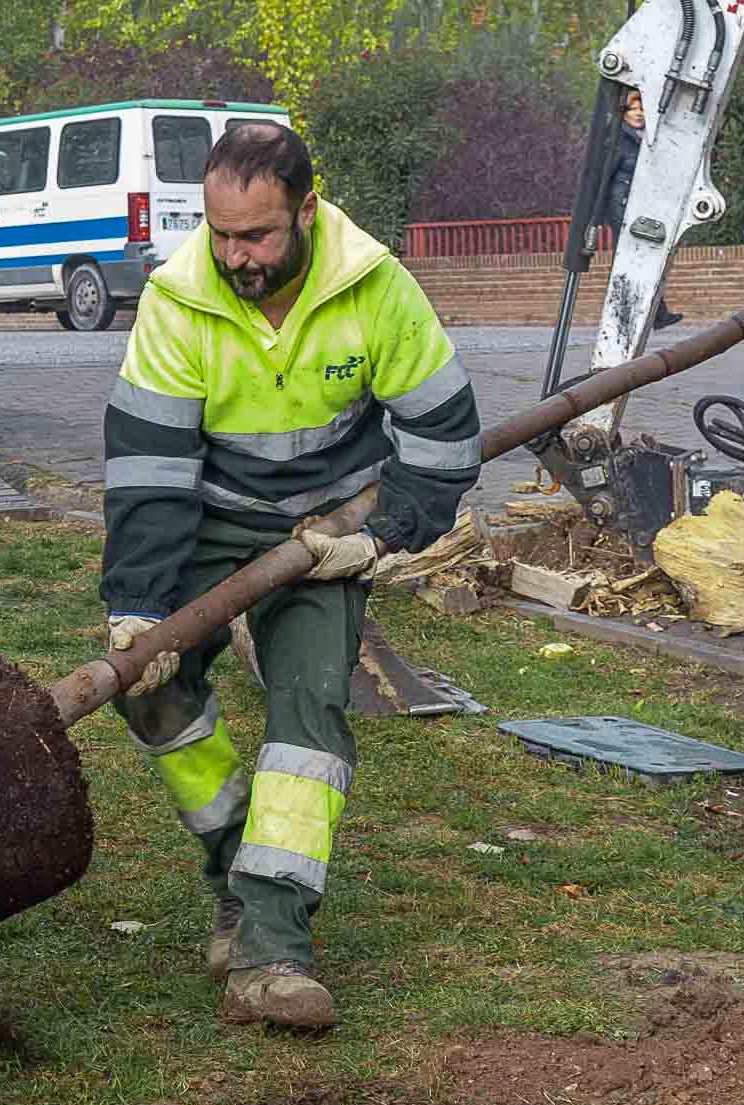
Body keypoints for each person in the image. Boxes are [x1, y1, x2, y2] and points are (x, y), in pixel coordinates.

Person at [100, 121, 482, 1033]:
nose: (237, 256)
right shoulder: (177, 300)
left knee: (308, 723)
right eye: (222, 234)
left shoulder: (378, 290)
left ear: (307, 210)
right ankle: (236, 865)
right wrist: (138, 610)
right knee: (149, 692)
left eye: (259, 235)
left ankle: (272, 951)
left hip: (326, 536)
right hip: (207, 524)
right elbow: (150, 472)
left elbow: (446, 443)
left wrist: (381, 537)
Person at [597, 86, 685, 330]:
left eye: (642, 109)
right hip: (623, 210)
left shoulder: (644, 137)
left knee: (643, 259)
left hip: (641, 209)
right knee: (630, 261)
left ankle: (653, 313)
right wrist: (597, 215)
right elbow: (603, 178)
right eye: (632, 109)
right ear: (623, 112)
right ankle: (627, 315)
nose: (638, 113)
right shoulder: (618, 140)